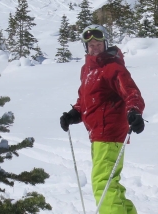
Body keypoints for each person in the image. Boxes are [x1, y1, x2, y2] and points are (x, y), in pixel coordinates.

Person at [60, 24, 145, 214]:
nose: (95, 46)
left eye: (98, 43)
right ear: (85, 47)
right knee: (109, 183)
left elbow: (132, 93)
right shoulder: (87, 69)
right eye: (90, 44)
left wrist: (134, 111)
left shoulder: (112, 67)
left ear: (105, 43)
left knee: (102, 184)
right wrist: (74, 114)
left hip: (109, 132)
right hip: (98, 133)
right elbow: (85, 100)